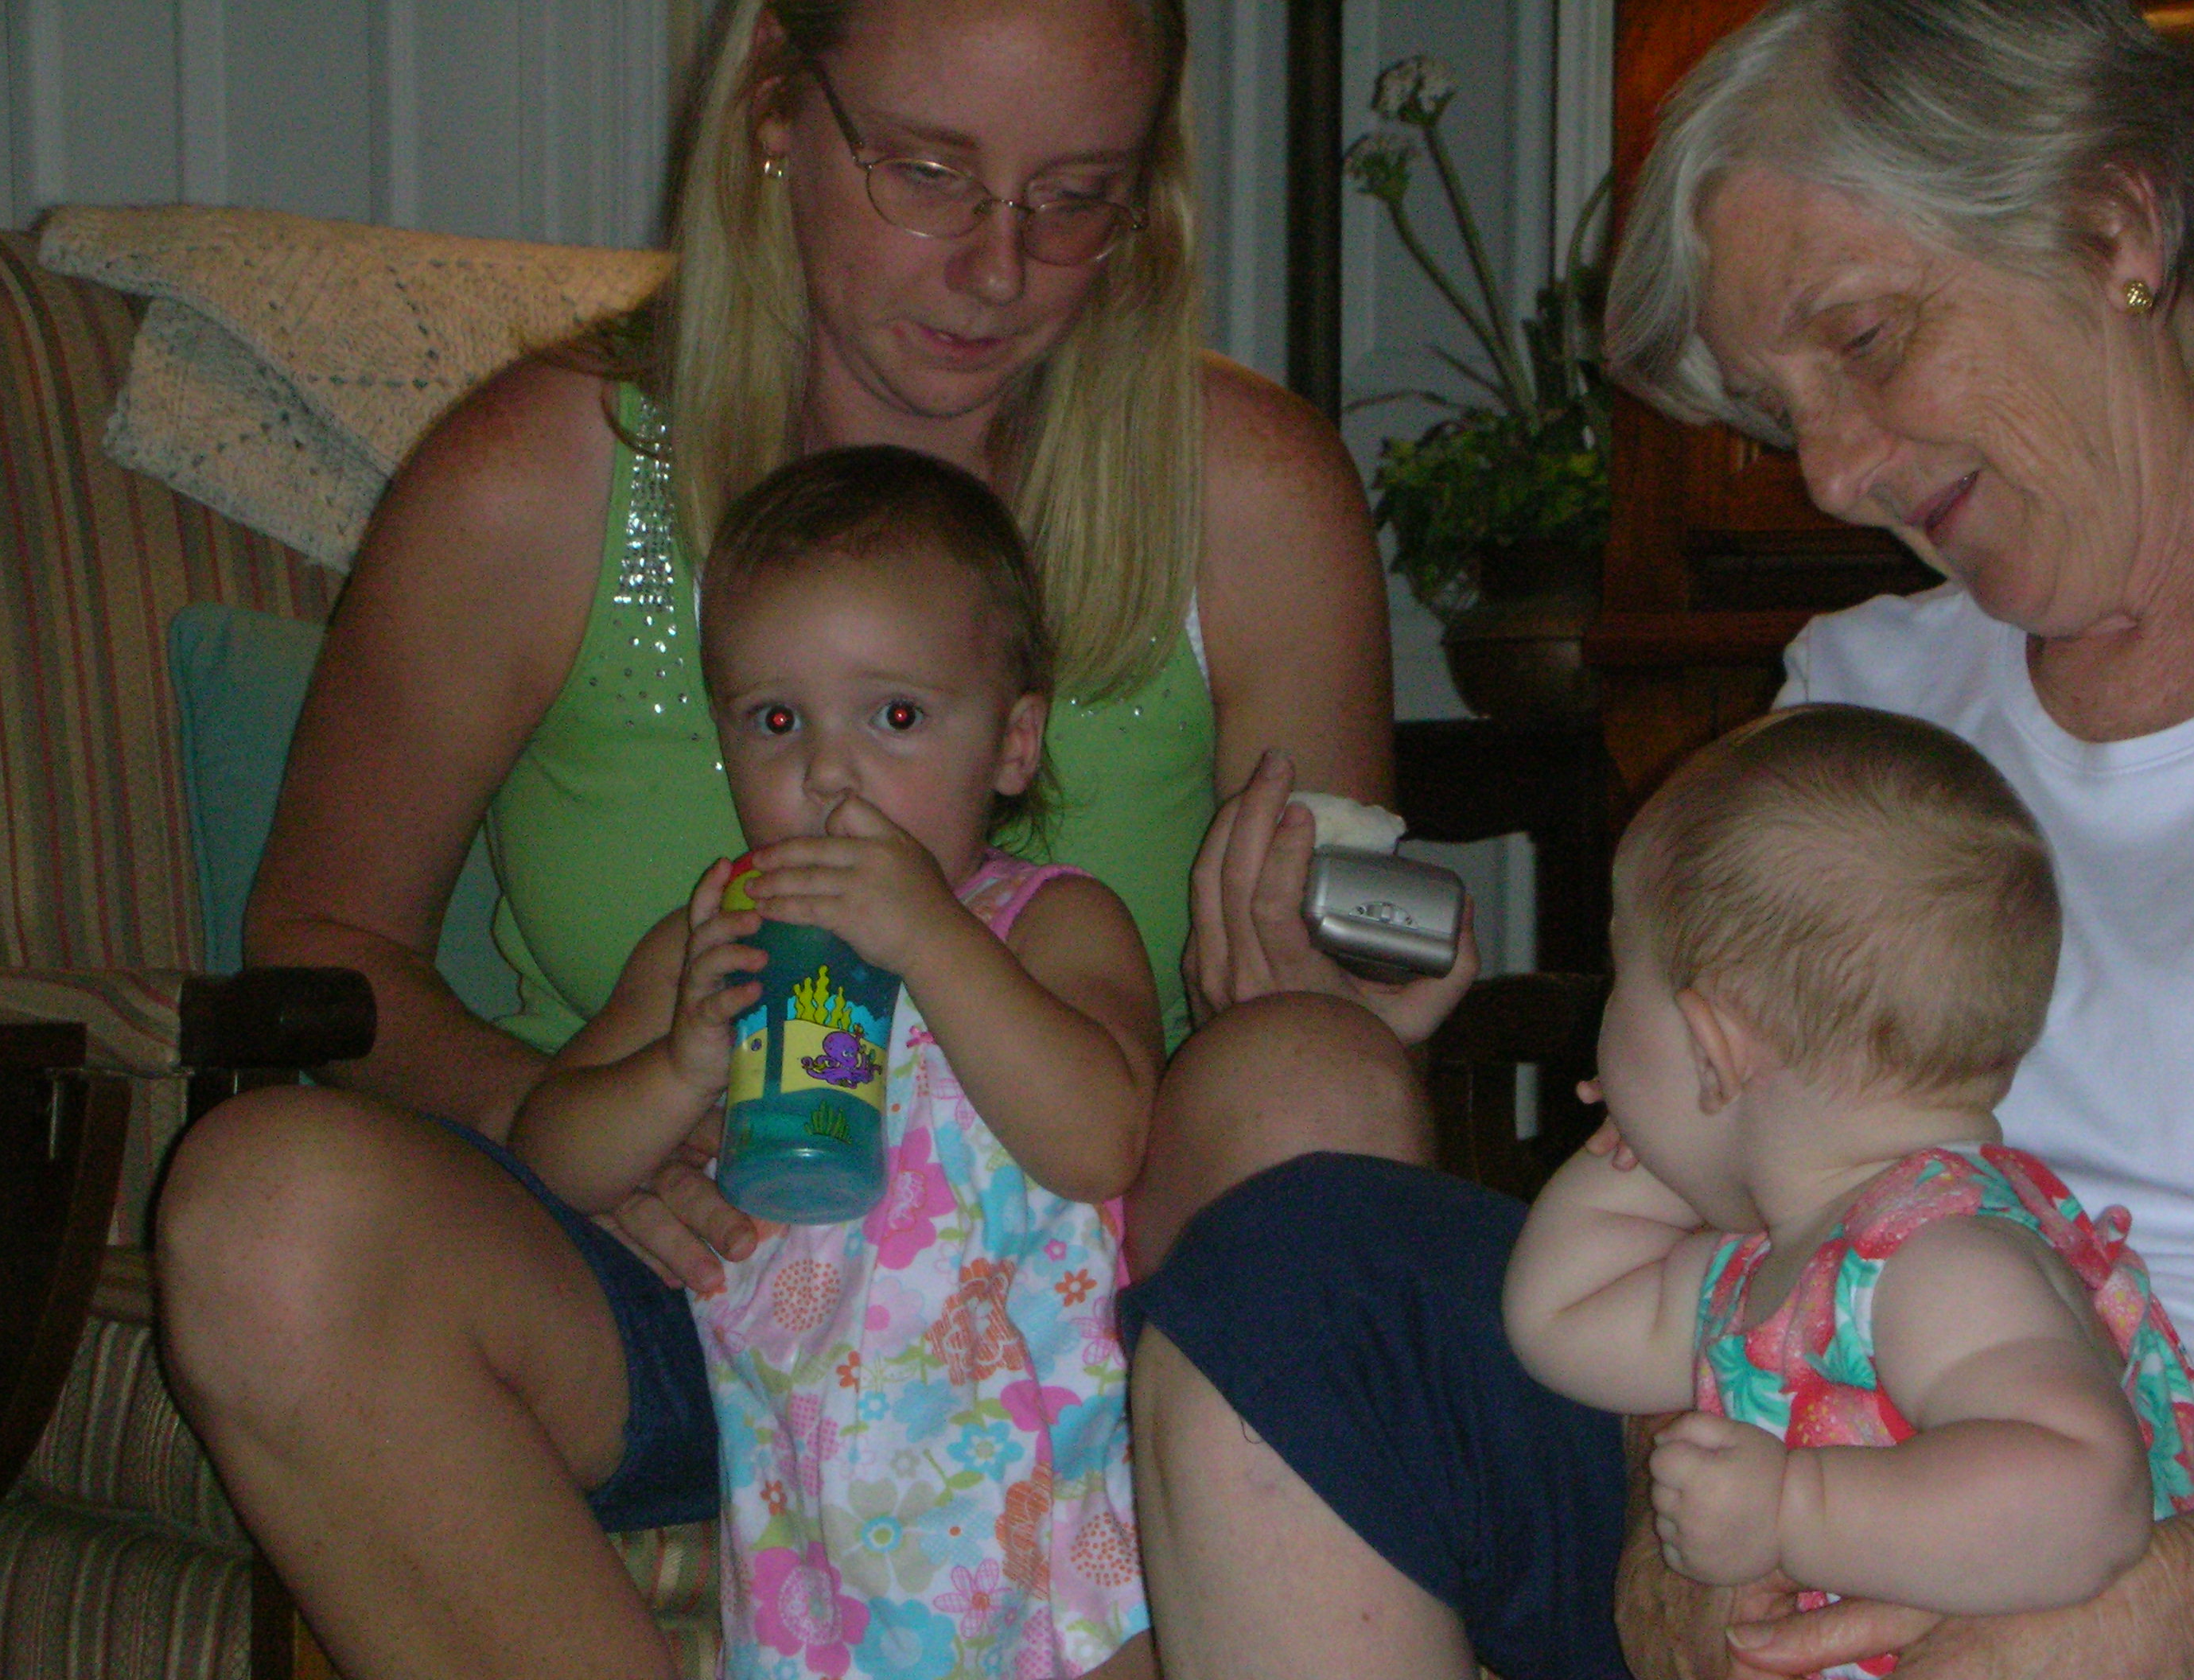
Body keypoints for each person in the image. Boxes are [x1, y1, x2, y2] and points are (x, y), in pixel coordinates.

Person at [150, 0, 1392, 1674]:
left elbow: (1314, 990)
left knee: (1320, 1080)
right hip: (686, 1274)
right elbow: (323, 938)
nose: (998, 268)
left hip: (1081, 1286)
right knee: (264, 1219)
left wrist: (1339, 989)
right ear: (775, 111)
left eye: (1074, 195)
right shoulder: (539, 480)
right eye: (928, 172)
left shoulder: (1246, 493)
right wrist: (584, 1128)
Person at [1130, 2, 2194, 1677]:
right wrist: (1695, 1560)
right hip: (1783, 1455)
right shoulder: (1861, 696)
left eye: (1863, 340)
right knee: (1304, 1278)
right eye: (1784, 413)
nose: (1833, 475)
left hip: (2145, 1513)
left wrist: (2161, 1606)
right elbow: (1693, 1216)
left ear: (2114, 224)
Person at [510, 445, 1160, 1677]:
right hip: (812, 1525)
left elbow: (1100, 1140)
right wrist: (681, 1067)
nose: (827, 771)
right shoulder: (716, 936)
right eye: (776, 721)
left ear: (1013, 743)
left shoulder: (1049, 924)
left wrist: (928, 936)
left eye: (896, 717)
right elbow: (555, 1153)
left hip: (1050, 1500)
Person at [1503, 705, 2194, 1680]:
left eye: (1619, 976)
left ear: (1712, 1049)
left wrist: (1793, 1509)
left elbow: (2085, 1498)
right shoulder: (1774, 1258)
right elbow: (1559, 1322)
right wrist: (1645, 1146)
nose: (1601, 1019)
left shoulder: (1940, 1258)